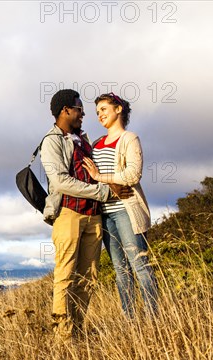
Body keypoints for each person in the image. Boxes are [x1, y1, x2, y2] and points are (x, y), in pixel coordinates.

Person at [40, 89, 129, 339]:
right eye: (79, 109)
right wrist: (102, 192)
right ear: (65, 110)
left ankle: (78, 332)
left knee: (88, 277)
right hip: (68, 214)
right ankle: (64, 339)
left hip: (93, 216)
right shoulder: (52, 141)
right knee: (65, 276)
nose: (83, 113)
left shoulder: (83, 139)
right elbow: (60, 182)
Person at [82, 93, 158, 317]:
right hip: (104, 214)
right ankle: (130, 321)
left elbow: (133, 175)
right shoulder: (95, 144)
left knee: (139, 265)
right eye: (97, 112)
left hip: (126, 210)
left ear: (118, 109)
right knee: (120, 270)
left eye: (104, 109)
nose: (100, 115)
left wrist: (100, 177)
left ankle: (153, 319)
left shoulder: (129, 138)